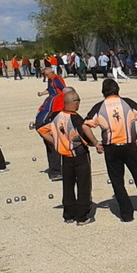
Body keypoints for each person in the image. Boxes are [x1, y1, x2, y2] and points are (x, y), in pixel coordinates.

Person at [84, 78, 137, 222]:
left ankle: (127, 214)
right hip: (130, 146)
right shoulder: (127, 103)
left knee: (117, 181)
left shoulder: (99, 107)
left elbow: (86, 125)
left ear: (103, 92)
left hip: (111, 148)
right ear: (118, 90)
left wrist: (96, 142)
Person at [37, 87, 98, 224]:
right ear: (75, 102)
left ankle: (68, 214)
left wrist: (56, 142)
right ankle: (82, 216)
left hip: (65, 156)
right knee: (83, 185)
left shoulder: (56, 116)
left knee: (68, 184)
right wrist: (96, 143)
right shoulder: (76, 119)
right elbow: (85, 136)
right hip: (79, 155)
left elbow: (41, 129)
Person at [34, 69, 67, 181]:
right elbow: (58, 115)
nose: (45, 76)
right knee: (55, 146)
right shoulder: (58, 100)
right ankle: (56, 172)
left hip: (41, 122)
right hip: (45, 124)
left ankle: (56, 170)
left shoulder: (57, 81)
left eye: (45, 74)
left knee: (53, 147)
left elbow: (63, 88)